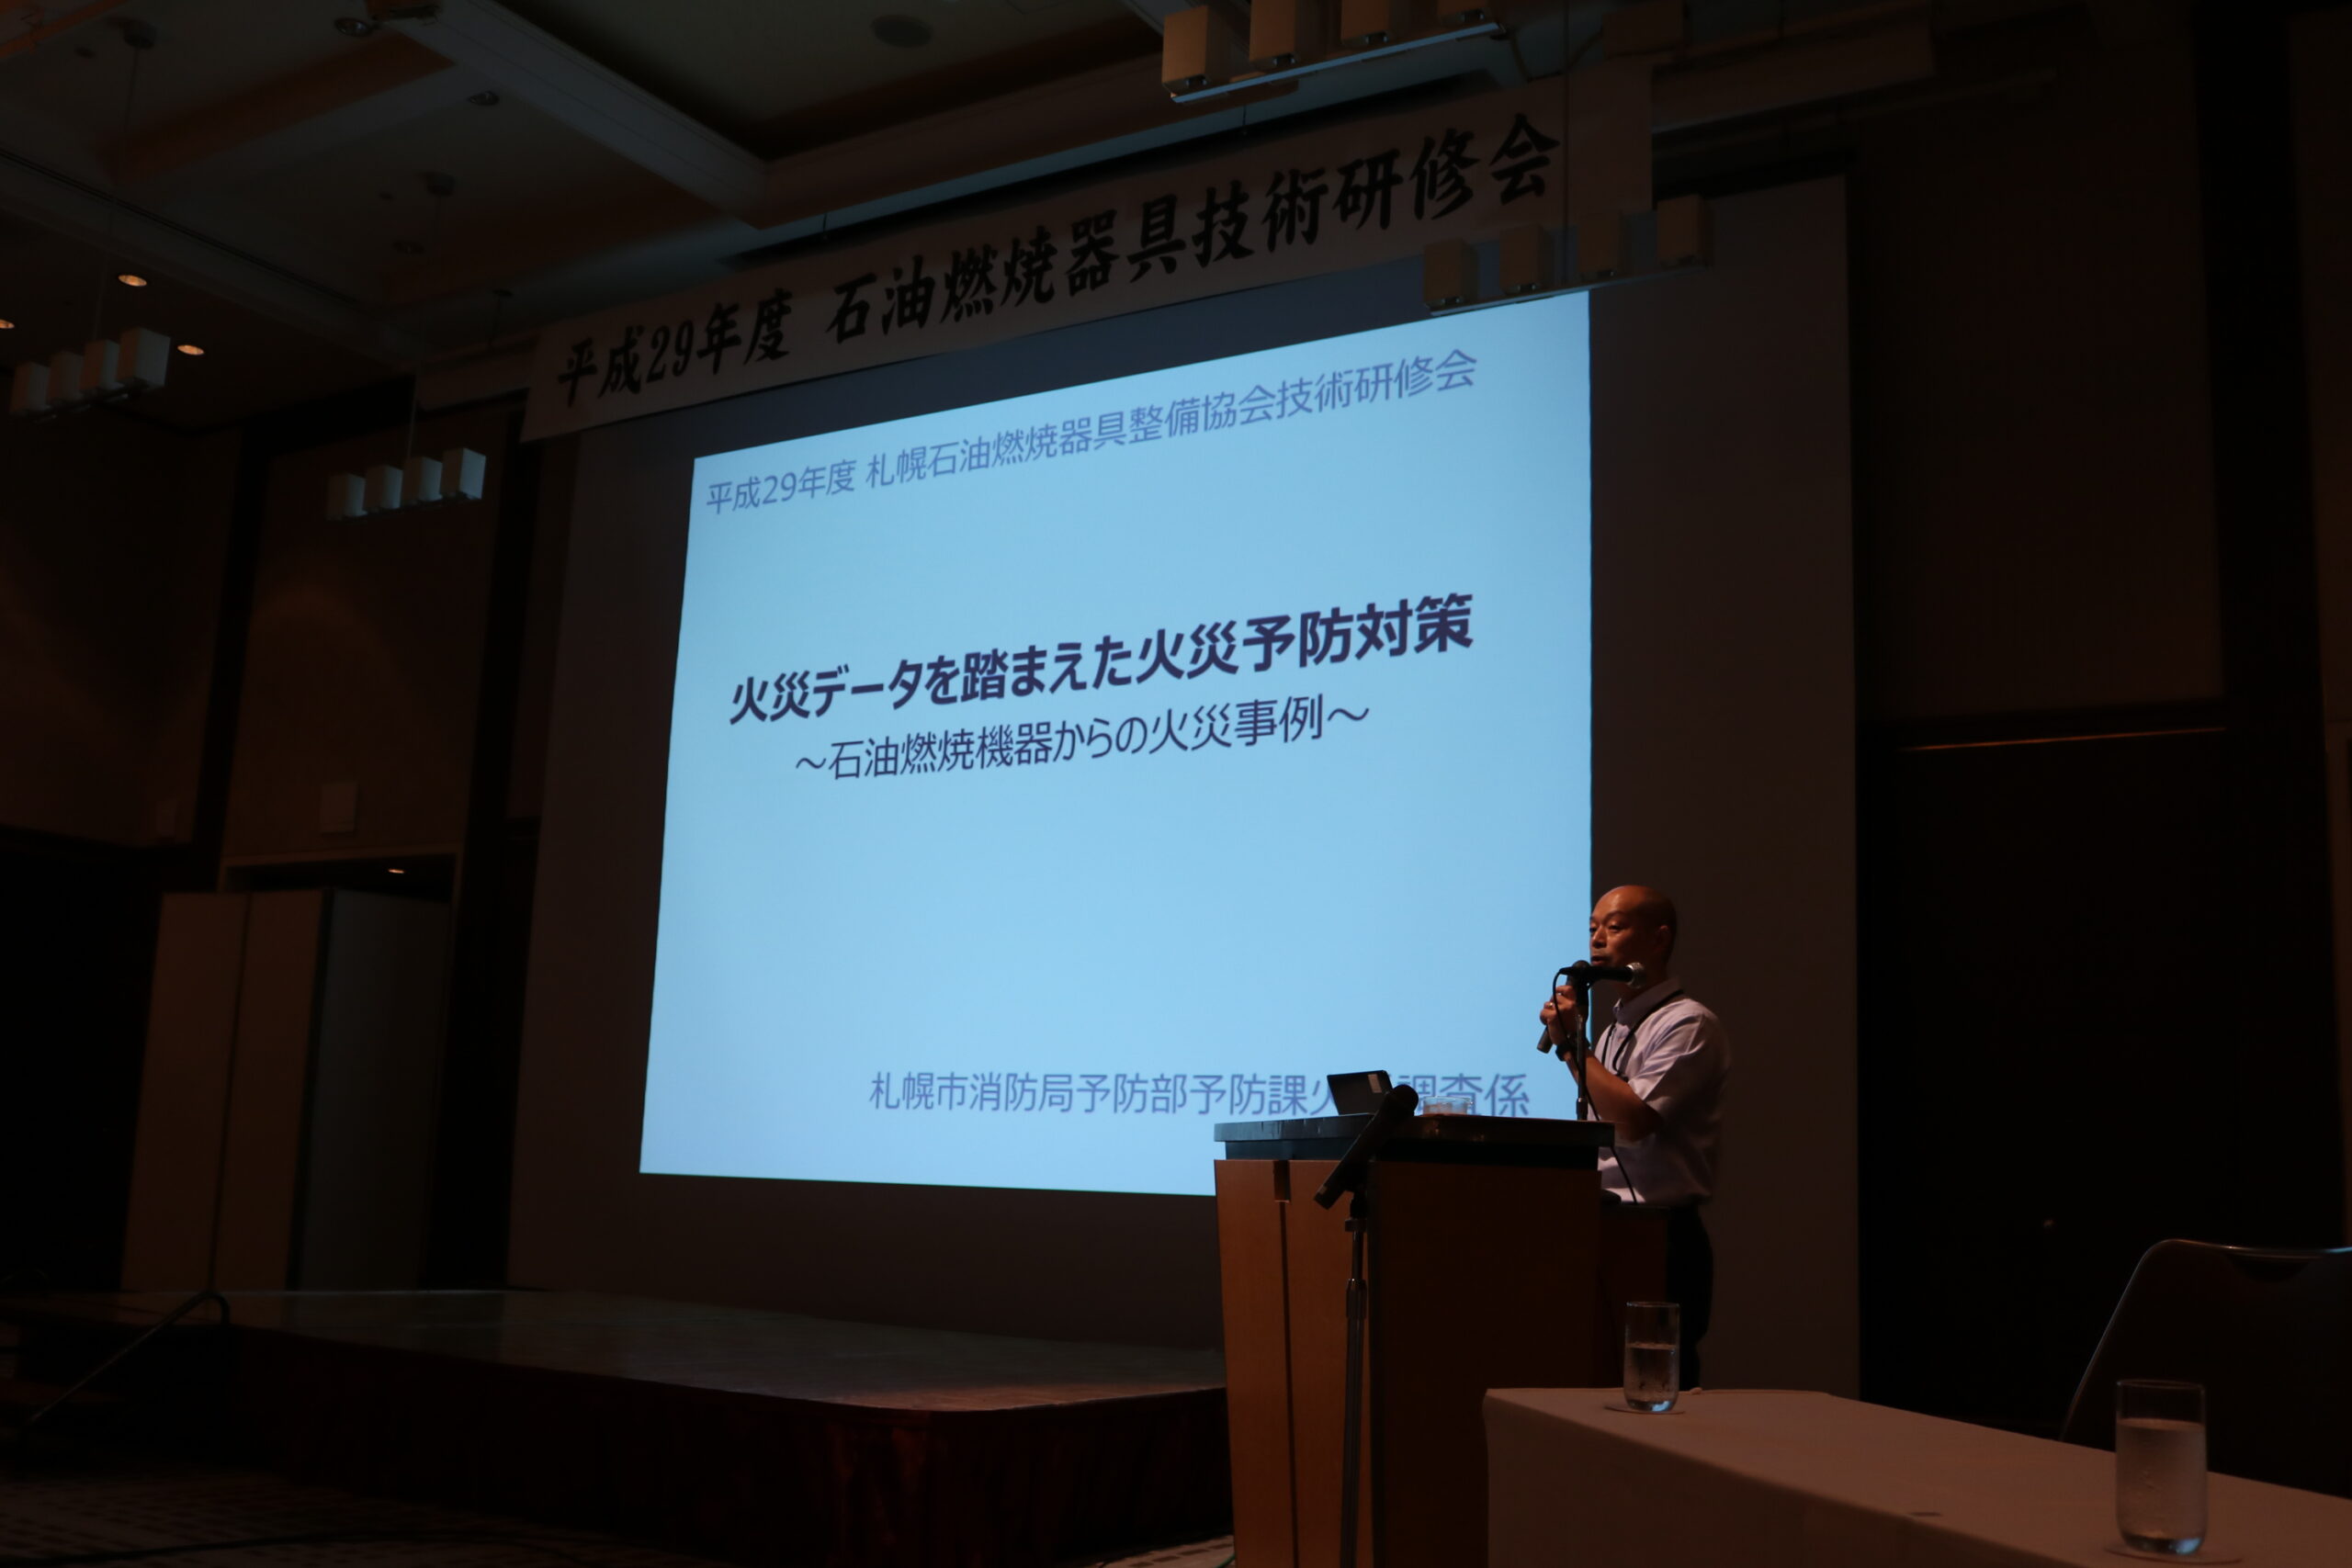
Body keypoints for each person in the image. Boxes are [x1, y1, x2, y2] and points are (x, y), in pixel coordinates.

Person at [1538, 885, 1728, 1384]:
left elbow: (1634, 1122)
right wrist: (1575, 1049)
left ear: (1659, 939)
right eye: (1593, 928)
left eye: (1615, 927)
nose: (1597, 939)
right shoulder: (1614, 1030)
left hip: (1661, 1236)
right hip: (1608, 1227)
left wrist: (1575, 1046)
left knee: (1658, 1381)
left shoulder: (1688, 1024)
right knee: (1601, 1376)